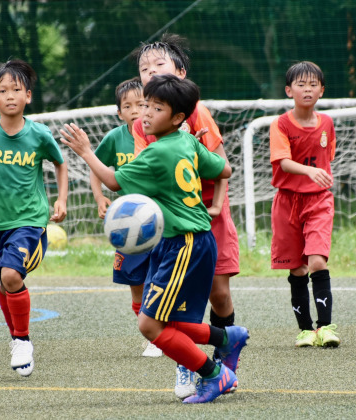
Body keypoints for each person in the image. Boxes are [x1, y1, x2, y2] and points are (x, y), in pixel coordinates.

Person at [61, 74, 249, 404]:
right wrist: (213, 202)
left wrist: (86, 151)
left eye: (156, 107)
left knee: (149, 325)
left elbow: (113, 181)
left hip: (184, 245)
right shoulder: (187, 141)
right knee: (169, 320)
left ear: (178, 117)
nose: (145, 113)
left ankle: (213, 374)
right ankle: (226, 337)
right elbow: (224, 170)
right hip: (192, 242)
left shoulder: (157, 152)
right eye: (145, 105)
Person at [131, 32, 241, 398]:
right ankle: (192, 368)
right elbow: (141, 175)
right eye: (144, 68)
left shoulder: (196, 114)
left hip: (208, 217)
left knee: (219, 295)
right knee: (180, 302)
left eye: (158, 65)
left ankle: (223, 358)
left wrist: (215, 205)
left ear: (180, 71)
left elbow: (222, 165)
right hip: (174, 225)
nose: (150, 72)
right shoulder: (142, 121)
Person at [0, 59, 68, 377]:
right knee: (5, 282)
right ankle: (15, 336)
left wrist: (61, 200)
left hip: (30, 221)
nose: (10, 95)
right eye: (2, 90)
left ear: (28, 96)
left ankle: (23, 341)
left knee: (10, 276)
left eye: (16, 89)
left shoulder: (39, 134)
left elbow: (60, 164)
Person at [89, 77, 162, 358]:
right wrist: (100, 197)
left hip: (160, 222)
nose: (135, 110)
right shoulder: (115, 138)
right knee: (136, 285)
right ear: (119, 112)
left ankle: (164, 333)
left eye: (142, 104)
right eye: (128, 105)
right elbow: (97, 169)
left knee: (161, 280)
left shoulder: (160, 136)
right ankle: (151, 336)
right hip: (129, 226)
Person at [269, 61, 340, 348]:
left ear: (322, 90)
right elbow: (283, 162)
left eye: (313, 84)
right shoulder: (281, 124)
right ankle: (306, 331)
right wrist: (309, 171)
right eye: (301, 84)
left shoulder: (327, 123)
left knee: (317, 261)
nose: (307, 89)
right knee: (297, 268)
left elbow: (328, 158)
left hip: (319, 200)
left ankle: (326, 327)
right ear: (289, 90)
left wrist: (315, 176)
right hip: (287, 202)